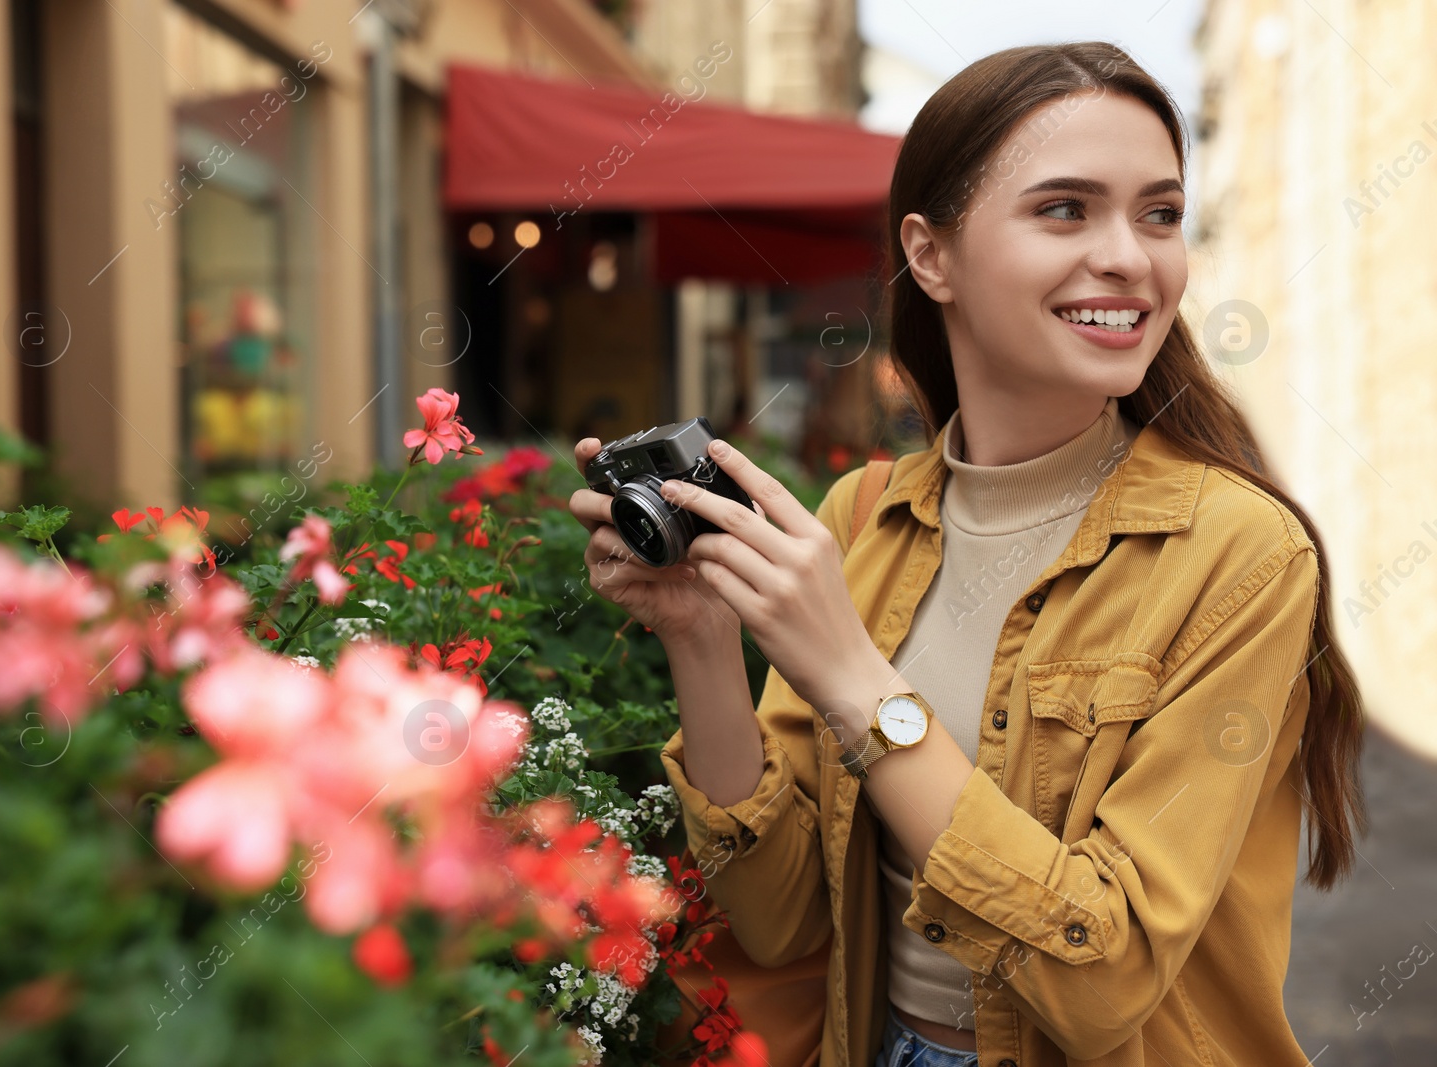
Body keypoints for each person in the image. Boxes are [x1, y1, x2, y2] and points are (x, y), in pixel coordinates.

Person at [567, 41, 1367, 1067]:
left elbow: (1099, 979)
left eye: (1159, 213)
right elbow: (777, 922)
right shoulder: (859, 520)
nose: (1131, 256)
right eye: (1065, 209)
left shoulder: (1239, 554)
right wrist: (705, 641)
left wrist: (858, 683)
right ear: (930, 255)